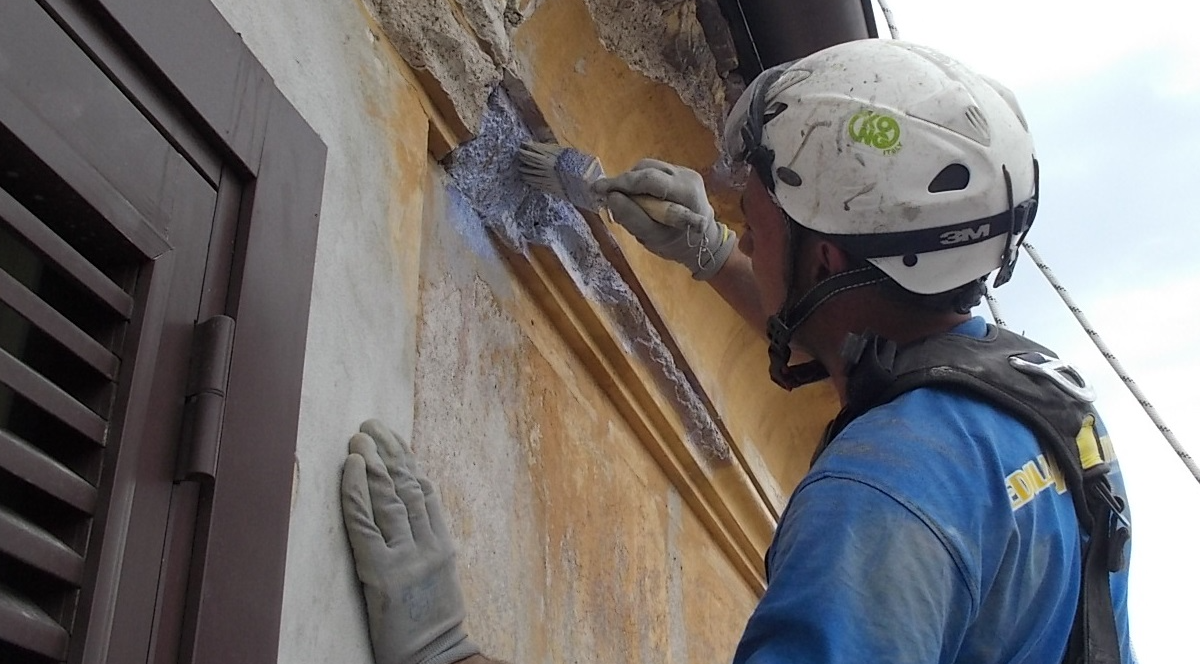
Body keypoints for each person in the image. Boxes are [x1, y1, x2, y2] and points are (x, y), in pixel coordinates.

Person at [341, 39, 1135, 664]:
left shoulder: (878, 503)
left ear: (826, 259)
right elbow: (864, 346)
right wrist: (711, 251)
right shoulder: (1029, 400)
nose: (744, 226)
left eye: (758, 220)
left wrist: (441, 654)